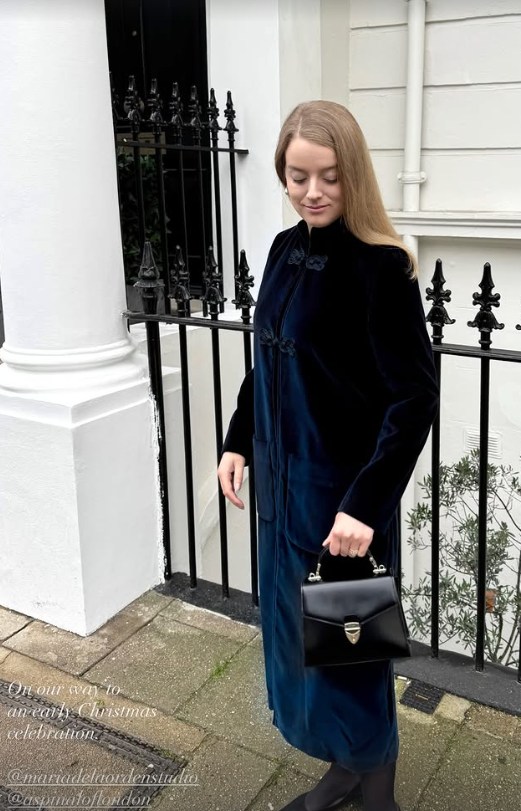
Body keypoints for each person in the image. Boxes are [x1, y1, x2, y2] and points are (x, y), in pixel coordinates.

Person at [218, 100, 439, 811]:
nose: (311, 192)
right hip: (281, 502)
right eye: (296, 176)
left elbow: (412, 400)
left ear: (354, 177)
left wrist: (363, 505)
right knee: (297, 652)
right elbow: (266, 364)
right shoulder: (284, 252)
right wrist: (235, 441)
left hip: (344, 514)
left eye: (329, 178)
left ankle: (376, 795)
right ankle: (342, 772)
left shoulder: (382, 268)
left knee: (351, 659)